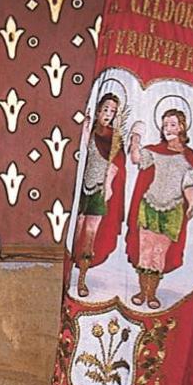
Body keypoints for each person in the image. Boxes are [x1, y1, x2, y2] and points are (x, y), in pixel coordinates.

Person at [126, 108, 193, 309]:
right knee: (145, 251)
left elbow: (189, 185)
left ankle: (152, 294)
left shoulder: (189, 156)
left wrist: (192, 206)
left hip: (173, 208)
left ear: (182, 127)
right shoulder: (155, 151)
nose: (168, 129)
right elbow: (137, 158)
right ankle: (142, 291)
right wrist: (135, 141)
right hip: (150, 204)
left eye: (172, 124)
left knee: (158, 253)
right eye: (165, 125)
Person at [72, 93, 125, 297]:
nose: (108, 115)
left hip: (100, 190)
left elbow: (118, 165)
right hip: (83, 189)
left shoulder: (115, 138)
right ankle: (73, 273)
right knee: (77, 230)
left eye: (112, 112)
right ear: (98, 110)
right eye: (105, 110)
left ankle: (82, 280)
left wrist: (110, 183)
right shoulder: (91, 130)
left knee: (90, 236)